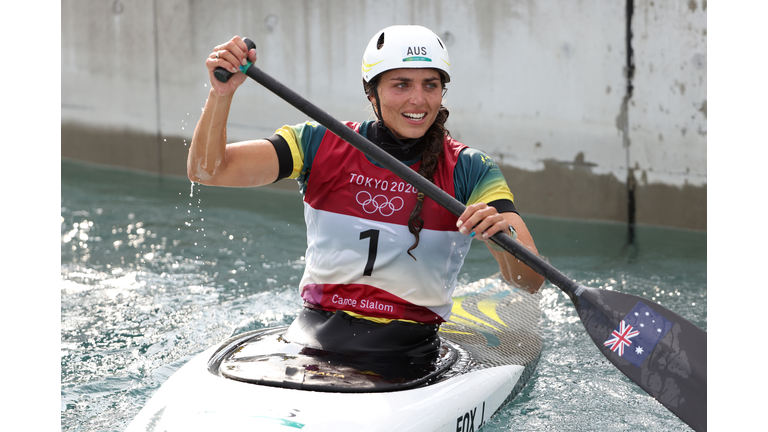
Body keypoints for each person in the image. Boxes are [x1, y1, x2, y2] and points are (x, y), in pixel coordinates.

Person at [188, 25, 545, 359]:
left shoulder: (471, 168)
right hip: (310, 341)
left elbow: (528, 281)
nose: (419, 100)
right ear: (371, 92)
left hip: (411, 353)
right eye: (401, 85)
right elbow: (208, 171)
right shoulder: (317, 142)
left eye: (431, 85)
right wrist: (222, 94)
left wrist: (500, 236)